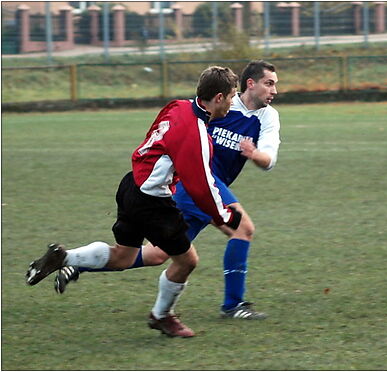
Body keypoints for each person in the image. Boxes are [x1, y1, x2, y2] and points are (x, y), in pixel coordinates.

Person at [54, 60, 281, 320]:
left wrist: (254, 155)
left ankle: (78, 263)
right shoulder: (221, 104)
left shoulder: (268, 117)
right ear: (250, 84)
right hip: (196, 182)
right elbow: (183, 127)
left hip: (202, 189)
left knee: (157, 254)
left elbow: (269, 160)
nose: (274, 90)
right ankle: (233, 305)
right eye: (269, 83)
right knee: (243, 228)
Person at [25, 66, 242, 338]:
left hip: (131, 185)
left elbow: (156, 140)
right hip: (152, 202)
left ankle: (65, 257)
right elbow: (201, 186)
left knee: (123, 256)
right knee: (187, 262)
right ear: (219, 97)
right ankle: (162, 316)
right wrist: (224, 216)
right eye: (233, 96)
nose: (233, 103)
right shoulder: (196, 133)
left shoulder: (177, 106)